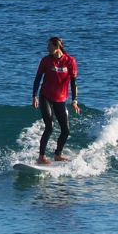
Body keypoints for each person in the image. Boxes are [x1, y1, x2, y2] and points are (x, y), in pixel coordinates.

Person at [31, 36, 79, 164]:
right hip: (45, 96)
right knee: (50, 126)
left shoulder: (70, 61)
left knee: (66, 130)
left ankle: (58, 155)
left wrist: (75, 100)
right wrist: (34, 96)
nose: (47, 48)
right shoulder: (46, 61)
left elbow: (74, 83)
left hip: (61, 99)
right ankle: (41, 157)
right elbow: (37, 78)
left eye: (49, 46)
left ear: (56, 46)